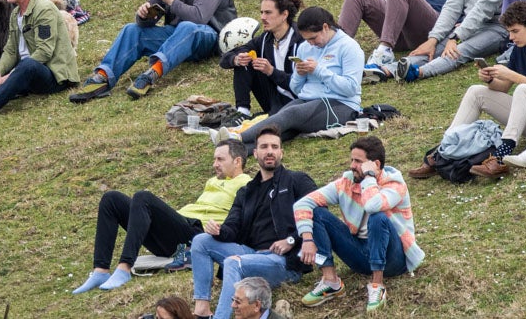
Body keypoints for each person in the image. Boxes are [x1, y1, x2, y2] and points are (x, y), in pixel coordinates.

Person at [412, 1, 526, 181]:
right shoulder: (519, 50)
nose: (511, 37)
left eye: (515, 31)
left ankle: (500, 156)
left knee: (523, 89)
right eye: (509, 32)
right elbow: (503, 88)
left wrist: (514, 76)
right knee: (477, 91)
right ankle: (442, 152)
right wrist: (491, 78)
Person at [72, 139, 252, 294]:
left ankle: (124, 268)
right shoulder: (213, 181)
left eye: (220, 159)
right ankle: (101, 270)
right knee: (111, 199)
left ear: (237, 161)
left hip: (194, 236)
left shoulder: (246, 184)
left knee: (143, 197)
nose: (215, 164)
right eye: (214, 159)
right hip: (175, 232)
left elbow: (244, 221)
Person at [70, 0, 235, 103]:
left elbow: (199, 18)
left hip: (210, 38)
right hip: (177, 38)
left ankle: (152, 73)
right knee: (132, 30)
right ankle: (103, 77)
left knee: (188, 27)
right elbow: (151, 17)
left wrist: (172, 2)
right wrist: (143, 15)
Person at [189, 128, 317, 319]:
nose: (270, 151)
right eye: (264, 147)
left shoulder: (296, 181)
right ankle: (202, 310)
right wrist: (218, 230)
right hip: (250, 254)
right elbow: (232, 227)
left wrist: (291, 240)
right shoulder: (246, 191)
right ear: (255, 153)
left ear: (281, 152)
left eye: (274, 146)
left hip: (283, 262)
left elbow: (317, 214)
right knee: (200, 241)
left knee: (233, 263)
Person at [294, 136, 423, 313]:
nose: (352, 165)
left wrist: (369, 177)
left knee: (377, 217)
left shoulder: (395, 184)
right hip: (361, 256)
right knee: (316, 211)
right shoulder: (346, 182)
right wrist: (307, 238)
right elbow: (302, 204)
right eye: (352, 160)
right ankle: (330, 280)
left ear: (375, 164)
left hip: (393, 260)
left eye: (358, 161)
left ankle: (377, 285)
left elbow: (372, 205)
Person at [225, 6, 364, 144]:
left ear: (326, 27)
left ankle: (237, 138)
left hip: (341, 104)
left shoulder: (349, 47)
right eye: (307, 39)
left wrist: (319, 70)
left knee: (291, 115)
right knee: (282, 123)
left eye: (313, 38)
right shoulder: (305, 47)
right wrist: (299, 74)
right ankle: (239, 149)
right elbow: (296, 88)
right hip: (307, 99)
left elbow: (351, 88)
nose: (311, 44)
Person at [219, 0, 302, 126]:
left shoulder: (300, 40)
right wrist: (236, 59)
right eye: (261, 12)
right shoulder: (265, 38)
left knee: (268, 122)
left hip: (297, 101)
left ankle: (261, 120)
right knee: (244, 60)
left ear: (284, 15)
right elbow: (226, 58)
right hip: (272, 97)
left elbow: (299, 85)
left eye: (268, 13)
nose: (263, 17)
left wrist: (271, 71)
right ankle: (243, 112)